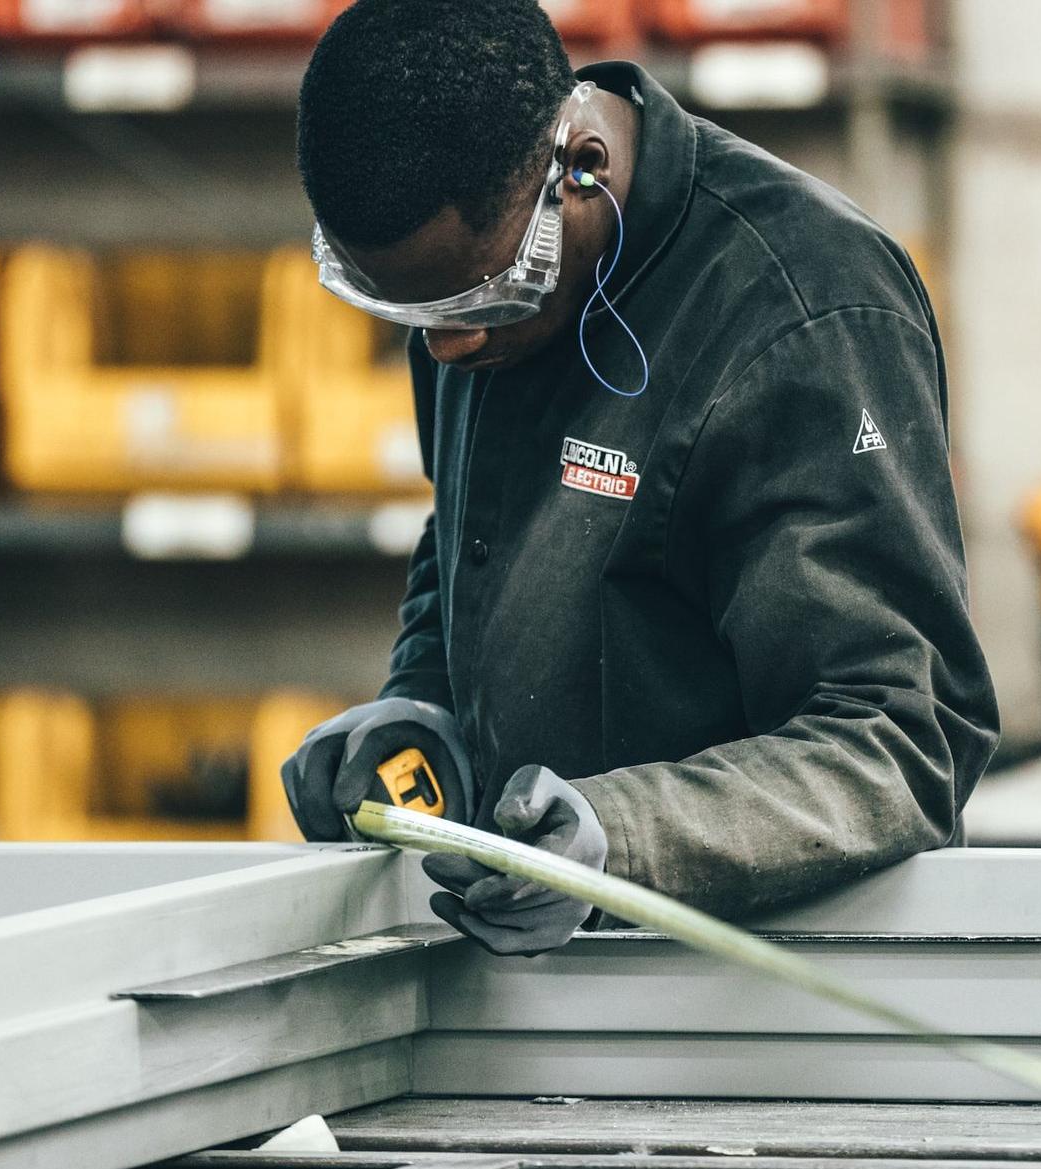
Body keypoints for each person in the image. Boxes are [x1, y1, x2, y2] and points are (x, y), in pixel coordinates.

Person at [282, 0, 999, 957]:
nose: (449, 345)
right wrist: (426, 707)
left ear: (578, 170)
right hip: (537, 984)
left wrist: (627, 843)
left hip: (760, 1004)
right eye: (415, 314)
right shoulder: (470, 291)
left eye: (484, 299)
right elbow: (474, 530)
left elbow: (899, 739)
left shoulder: (805, 311)